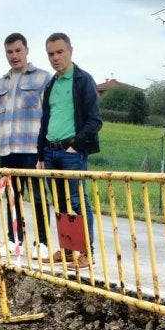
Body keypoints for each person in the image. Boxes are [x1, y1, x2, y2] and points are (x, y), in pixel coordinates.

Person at [0, 33, 51, 256]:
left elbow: (49, 115)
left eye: (18, 51)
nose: (14, 56)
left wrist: (45, 149)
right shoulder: (0, 84)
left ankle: (42, 244)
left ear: (26, 50)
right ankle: (14, 240)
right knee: (12, 198)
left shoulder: (43, 78)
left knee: (38, 197)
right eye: (9, 52)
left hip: (33, 150)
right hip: (8, 151)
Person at [37, 32, 102, 263]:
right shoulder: (51, 84)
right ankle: (66, 250)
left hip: (71, 153)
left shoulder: (83, 80)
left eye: (60, 52)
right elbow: (45, 121)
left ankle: (87, 253)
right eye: (51, 54)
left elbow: (95, 120)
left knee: (77, 202)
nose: (56, 58)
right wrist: (41, 153)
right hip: (50, 152)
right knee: (60, 203)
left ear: (70, 51)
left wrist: (76, 145)